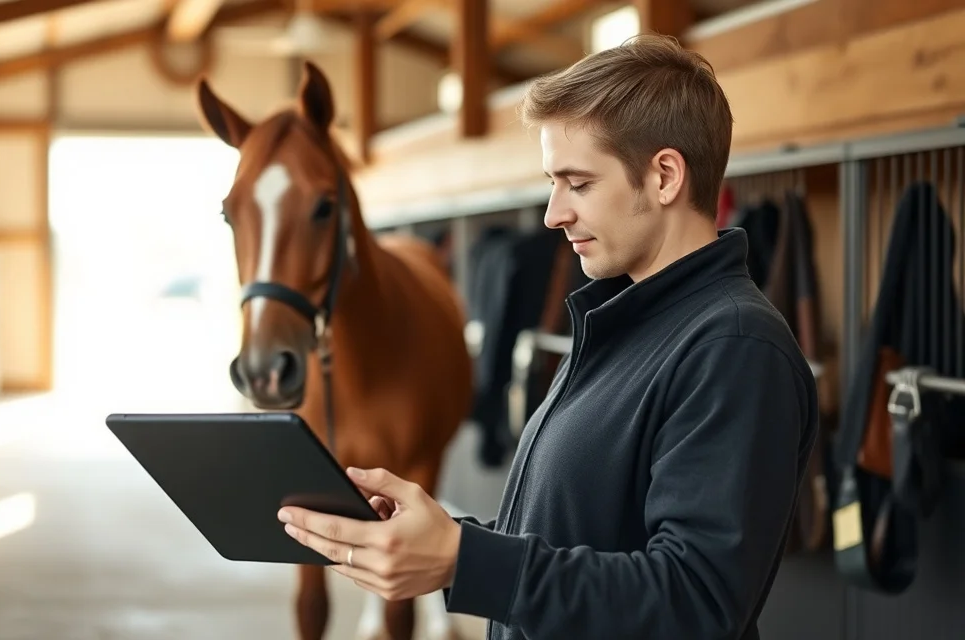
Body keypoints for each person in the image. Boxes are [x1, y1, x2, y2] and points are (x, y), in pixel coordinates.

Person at [277, 33, 819, 639]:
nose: (552, 213)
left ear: (665, 176)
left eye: (578, 183)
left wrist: (466, 560)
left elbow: (694, 604)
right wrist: (444, 539)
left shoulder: (734, 349)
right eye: (553, 183)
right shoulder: (624, 322)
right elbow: (574, 535)